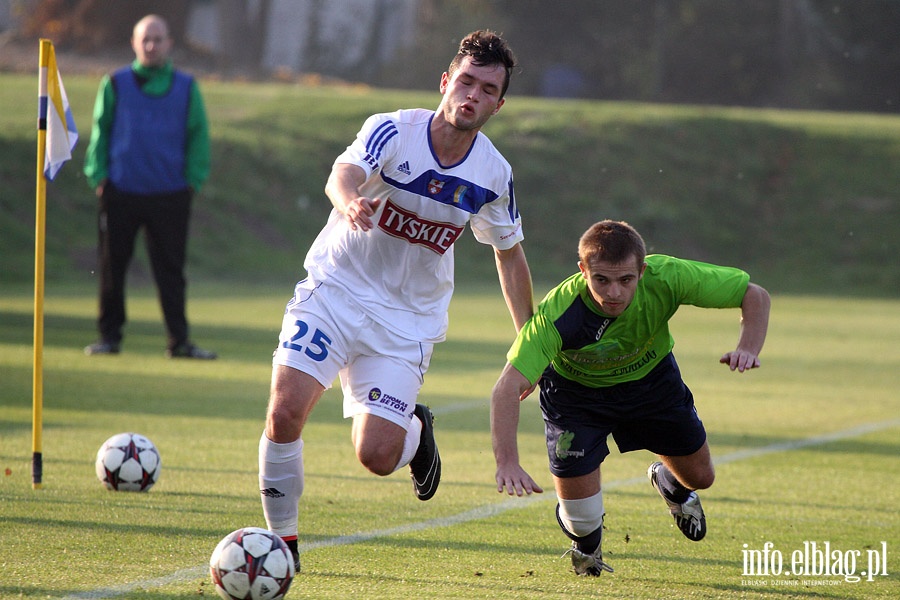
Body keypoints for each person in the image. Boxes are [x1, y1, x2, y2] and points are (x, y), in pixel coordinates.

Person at [258, 30, 534, 572]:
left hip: (408, 321)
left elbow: (509, 255)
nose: (472, 96)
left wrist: (531, 341)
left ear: (499, 104)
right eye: (466, 82)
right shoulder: (393, 130)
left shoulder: (493, 174)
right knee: (286, 411)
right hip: (335, 291)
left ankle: (416, 430)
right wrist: (350, 200)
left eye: (486, 89)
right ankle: (281, 547)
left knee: (377, 456)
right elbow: (343, 174)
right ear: (445, 82)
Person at [490, 219, 770, 576]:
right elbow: (505, 388)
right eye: (601, 280)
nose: (614, 293)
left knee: (700, 478)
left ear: (642, 269)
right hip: (576, 398)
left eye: (626, 280)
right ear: (583, 271)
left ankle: (671, 485)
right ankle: (587, 547)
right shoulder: (558, 313)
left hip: (652, 384)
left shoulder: (668, 276)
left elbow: (754, 295)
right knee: (581, 519)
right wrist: (507, 462)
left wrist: (748, 347)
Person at [83, 14, 215, 359]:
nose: (152, 45)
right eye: (146, 39)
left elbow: (198, 136)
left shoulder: (187, 87)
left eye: (158, 39)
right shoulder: (114, 83)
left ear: (169, 43)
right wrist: (99, 176)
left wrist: (192, 181)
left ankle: (179, 341)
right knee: (112, 268)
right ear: (134, 43)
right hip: (121, 191)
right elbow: (101, 131)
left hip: (170, 194)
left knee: (171, 273)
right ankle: (109, 337)